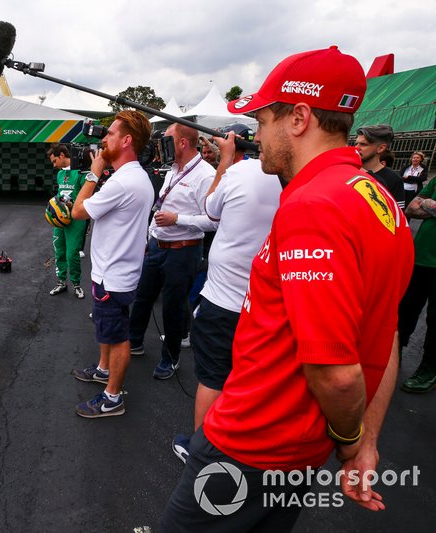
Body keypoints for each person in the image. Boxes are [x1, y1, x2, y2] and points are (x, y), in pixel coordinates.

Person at [160, 46, 414, 532]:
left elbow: (337, 374)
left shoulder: (313, 207)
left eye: (262, 119)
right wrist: (367, 443)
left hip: (251, 444)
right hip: (293, 451)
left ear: (298, 118)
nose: (256, 134)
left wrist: (350, 440)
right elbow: (385, 332)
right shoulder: (379, 198)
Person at [171, 129, 282, 463]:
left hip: (223, 302)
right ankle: (241, 445)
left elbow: (210, 207)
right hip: (265, 305)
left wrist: (225, 160)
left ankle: (200, 452)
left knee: (213, 378)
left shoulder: (238, 171)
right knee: (250, 381)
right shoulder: (296, 178)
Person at [68, 110, 154, 418]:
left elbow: (78, 212)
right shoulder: (133, 177)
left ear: (127, 140)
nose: (104, 139)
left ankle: (112, 397)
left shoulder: (123, 182)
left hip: (114, 276)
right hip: (114, 271)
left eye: (111, 134)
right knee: (107, 327)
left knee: (117, 337)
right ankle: (104, 370)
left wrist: (94, 172)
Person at [128, 122, 217, 380]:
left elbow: (212, 220)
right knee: (143, 296)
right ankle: (133, 341)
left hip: (184, 251)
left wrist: (178, 219)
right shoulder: (173, 169)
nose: (161, 144)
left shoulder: (206, 175)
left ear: (182, 143)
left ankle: (171, 358)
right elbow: (160, 205)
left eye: (167, 139)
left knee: (173, 307)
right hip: (158, 246)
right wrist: (149, 237)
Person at [398, 181, 436, 393]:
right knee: (405, 310)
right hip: (420, 258)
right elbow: (413, 206)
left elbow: (422, 205)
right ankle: (395, 354)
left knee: (435, 319)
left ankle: (429, 368)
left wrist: (429, 205)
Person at [46, 144, 86, 299]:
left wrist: (72, 203)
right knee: (59, 252)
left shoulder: (80, 172)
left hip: (75, 219)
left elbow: (86, 196)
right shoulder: (60, 175)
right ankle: (61, 282)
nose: (54, 165)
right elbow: (59, 194)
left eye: (55, 161)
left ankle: (76, 284)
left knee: (72, 254)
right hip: (60, 220)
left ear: (62, 155)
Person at [355, 124, 405, 210]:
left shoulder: (394, 180)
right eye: (356, 143)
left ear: (381, 148)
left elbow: (397, 216)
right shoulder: (347, 171)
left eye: (363, 144)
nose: (356, 148)